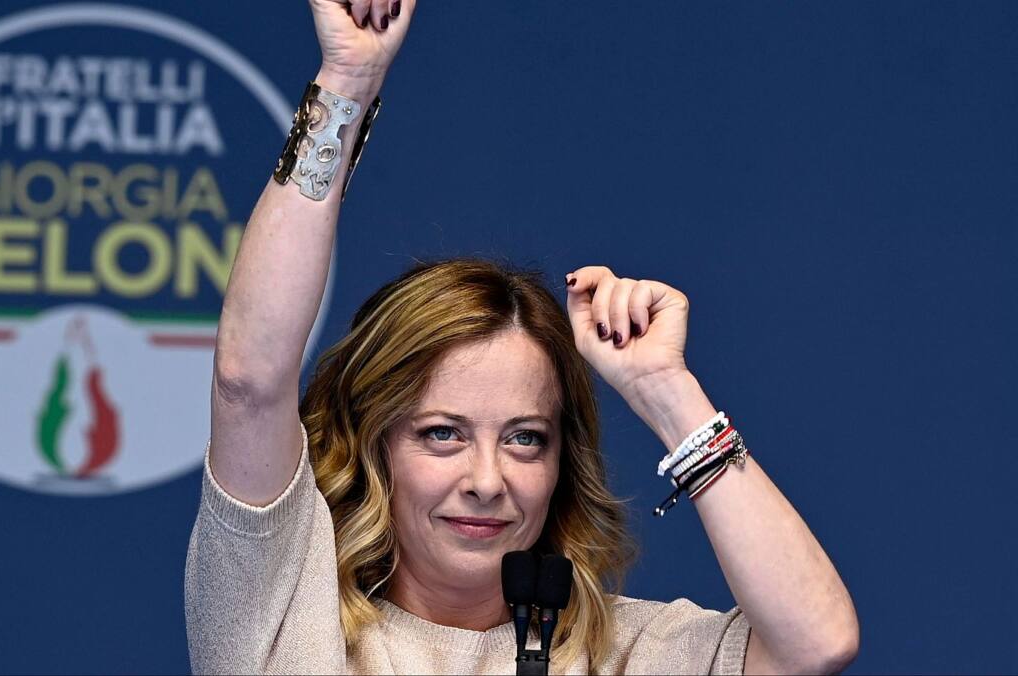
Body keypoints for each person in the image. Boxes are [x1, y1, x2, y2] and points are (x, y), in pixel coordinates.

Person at [185, 1, 859, 673]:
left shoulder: (632, 651)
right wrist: (348, 84)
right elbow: (249, 381)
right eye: (442, 434)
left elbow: (817, 643)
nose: (487, 481)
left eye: (525, 439)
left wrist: (666, 391)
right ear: (375, 443)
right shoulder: (282, 618)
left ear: (564, 461)